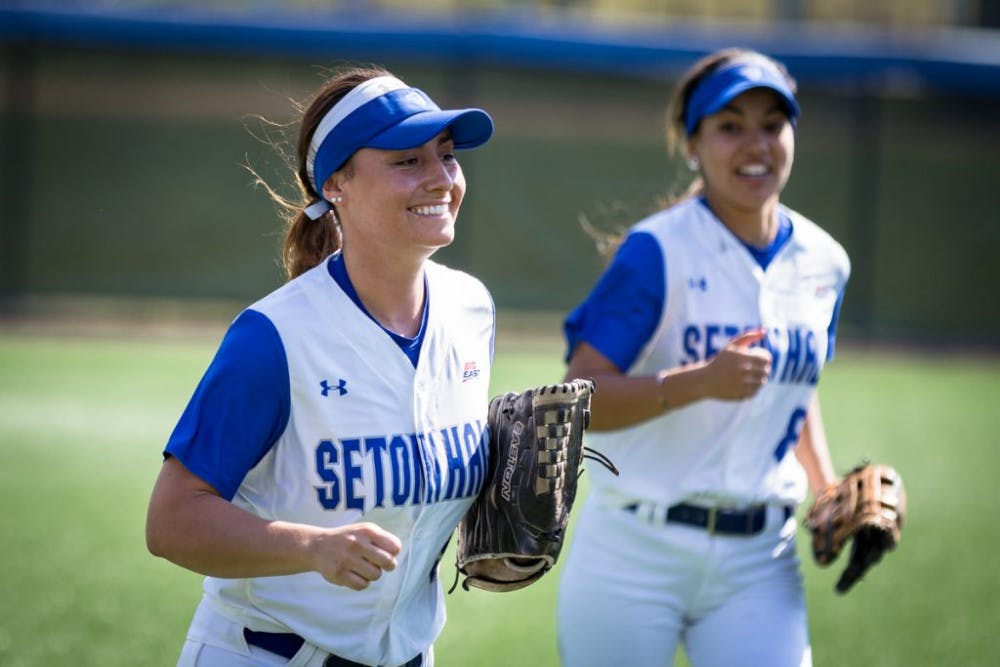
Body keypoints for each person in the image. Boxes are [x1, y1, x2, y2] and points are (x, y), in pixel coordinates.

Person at [146, 66, 496, 667]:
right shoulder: (275, 335)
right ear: (337, 184)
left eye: (446, 156)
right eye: (407, 161)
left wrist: (498, 528)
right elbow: (172, 520)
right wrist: (310, 547)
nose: (441, 178)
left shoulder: (471, 310)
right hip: (266, 654)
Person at [555, 48, 850, 667]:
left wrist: (826, 488)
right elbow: (578, 398)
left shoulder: (826, 262)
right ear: (693, 144)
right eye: (730, 125)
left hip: (760, 558)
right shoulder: (656, 252)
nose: (757, 144)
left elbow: (795, 387)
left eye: (773, 124)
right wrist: (699, 382)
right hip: (636, 548)